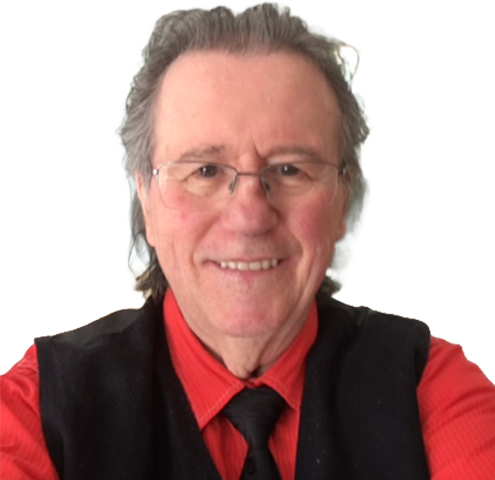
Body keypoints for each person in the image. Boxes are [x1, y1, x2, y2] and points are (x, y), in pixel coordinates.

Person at [1, 3, 495, 479]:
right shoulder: (37, 409)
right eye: (205, 170)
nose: (249, 217)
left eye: (290, 169)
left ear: (343, 200)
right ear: (145, 199)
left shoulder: (428, 385)